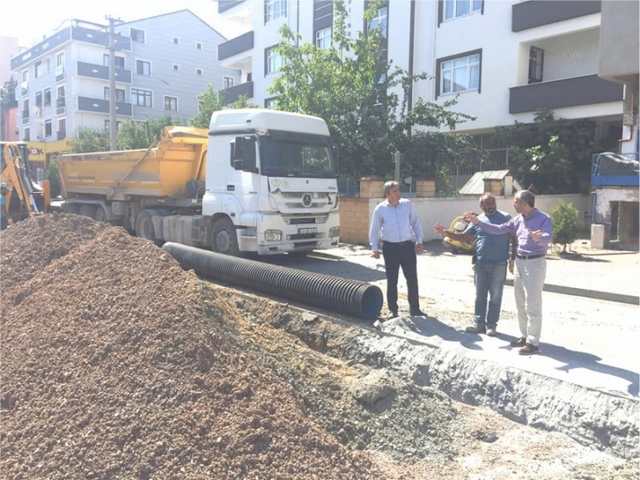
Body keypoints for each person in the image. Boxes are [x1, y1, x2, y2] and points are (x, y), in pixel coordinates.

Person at [465, 190, 552, 355]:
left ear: (525, 203)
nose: (513, 204)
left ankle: (533, 342)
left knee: (533, 303)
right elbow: (498, 229)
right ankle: (524, 336)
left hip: (535, 263)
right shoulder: (517, 219)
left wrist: (540, 237)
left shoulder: (543, 218)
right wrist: (478, 222)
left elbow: (548, 236)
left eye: (516, 201)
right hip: (520, 262)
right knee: (520, 301)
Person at [434, 193, 515, 336]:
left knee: (496, 296)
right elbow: (465, 238)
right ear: (481, 206)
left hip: (499, 263)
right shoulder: (478, 220)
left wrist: (513, 258)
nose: (491, 205)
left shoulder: (506, 217)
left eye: (492, 202)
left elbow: (514, 237)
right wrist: (445, 232)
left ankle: (491, 326)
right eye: (487, 203)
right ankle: (479, 324)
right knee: (480, 295)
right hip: (481, 263)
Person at [369, 181, 425, 319]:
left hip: (407, 246)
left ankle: (415, 309)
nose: (398, 193)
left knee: (412, 279)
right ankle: (393, 310)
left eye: (398, 190)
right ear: (387, 193)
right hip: (390, 248)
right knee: (392, 280)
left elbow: (415, 223)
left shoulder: (407, 205)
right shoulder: (380, 209)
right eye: (395, 191)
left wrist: (419, 241)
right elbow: (375, 229)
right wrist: (374, 248)